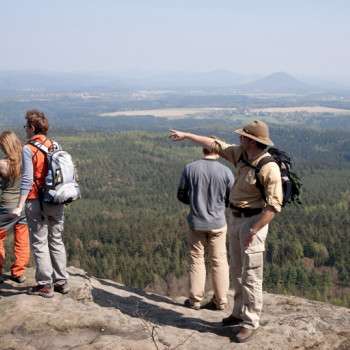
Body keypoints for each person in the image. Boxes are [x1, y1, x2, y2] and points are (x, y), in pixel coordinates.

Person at [170, 120, 282, 343]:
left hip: (253, 222)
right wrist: (187, 135)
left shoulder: (269, 167)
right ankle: (237, 313)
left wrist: (255, 229)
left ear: (251, 140)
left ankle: (250, 322)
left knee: (251, 275)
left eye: (243, 136)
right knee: (238, 271)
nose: (239, 138)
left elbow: (274, 206)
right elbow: (215, 144)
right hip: (235, 219)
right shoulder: (241, 154)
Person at [13, 110, 69, 298]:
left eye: (26, 126)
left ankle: (45, 285)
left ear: (32, 127)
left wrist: (19, 205)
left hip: (35, 199)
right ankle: (61, 281)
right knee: (56, 239)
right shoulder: (54, 144)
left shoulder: (28, 148)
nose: (25, 130)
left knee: (39, 241)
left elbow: (27, 179)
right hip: (55, 199)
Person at [177, 143, 234, 311]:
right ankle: (221, 301)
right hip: (218, 223)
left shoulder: (190, 168)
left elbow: (181, 194)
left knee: (196, 260)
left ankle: (195, 300)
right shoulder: (226, 172)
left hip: (196, 222)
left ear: (203, 149)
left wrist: (195, 203)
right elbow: (231, 199)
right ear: (218, 151)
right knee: (219, 261)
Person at [0, 131, 30, 283]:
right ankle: (18, 272)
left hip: (6, 206)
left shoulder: (3, 164)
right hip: (22, 206)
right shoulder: (26, 160)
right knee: (22, 238)